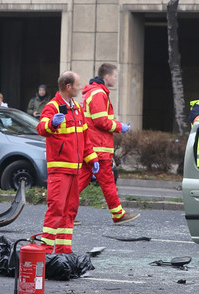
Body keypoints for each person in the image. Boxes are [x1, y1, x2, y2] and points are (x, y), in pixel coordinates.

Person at [37, 71, 99, 254]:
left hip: (75, 170)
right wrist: (53, 124)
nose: (80, 88)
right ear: (68, 86)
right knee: (56, 209)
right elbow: (41, 128)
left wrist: (92, 158)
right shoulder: (52, 106)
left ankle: (64, 250)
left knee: (70, 210)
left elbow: (85, 139)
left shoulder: (78, 108)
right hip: (60, 169)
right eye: (78, 85)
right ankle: (46, 250)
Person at [78, 63, 140, 225]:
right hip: (98, 147)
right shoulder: (99, 94)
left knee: (80, 181)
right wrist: (121, 127)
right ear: (107, 77)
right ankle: (118, 215)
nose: (116, 79)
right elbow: (101, 121)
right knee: (107, 182)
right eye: (114, 76)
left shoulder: (92, 92)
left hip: (92, 146)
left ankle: (63, 211)